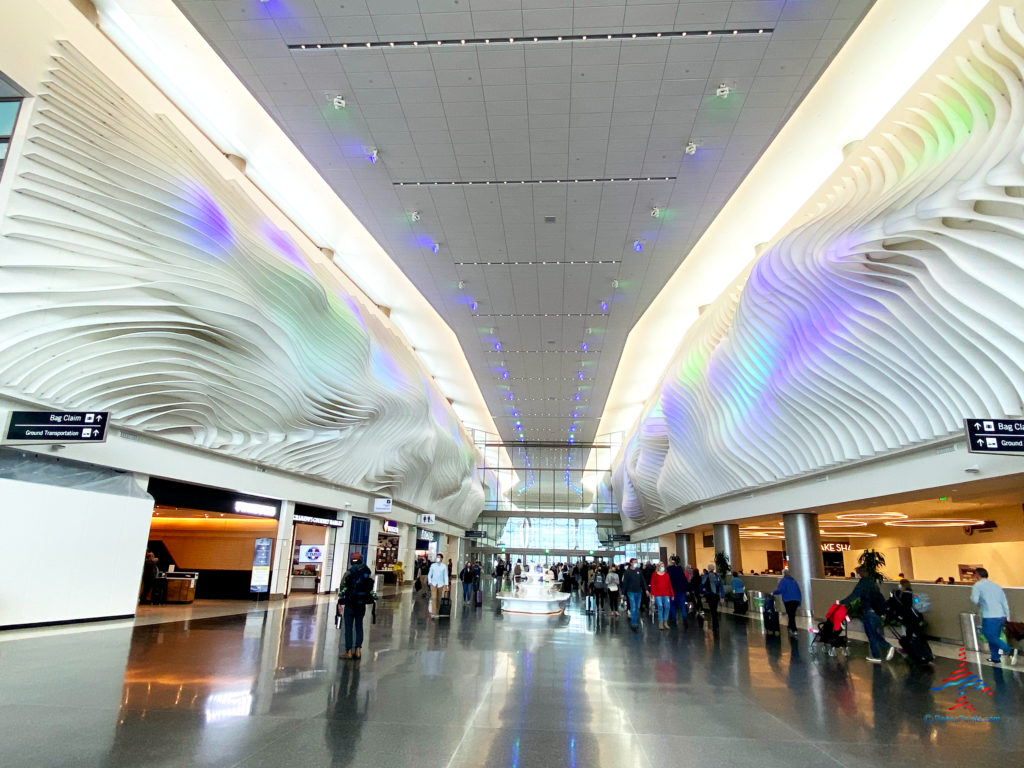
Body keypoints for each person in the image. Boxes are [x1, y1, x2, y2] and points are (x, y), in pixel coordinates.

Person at [840, 566, 895, 663]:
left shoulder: (863, 583)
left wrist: (841, 602)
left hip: (869, 612)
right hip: (876, 612)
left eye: (857, 573)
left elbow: (854, 595)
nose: (857, 575)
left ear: (860, 573)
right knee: (872, 633)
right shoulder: (872, 582)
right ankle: (876, 655)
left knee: (872, 633)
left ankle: (887, 647)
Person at [970, 567, 1015, 664]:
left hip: (989, 615)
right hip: (1001, 615)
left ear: (977, 575)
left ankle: (1008, 649)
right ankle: (995, 658)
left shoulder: (977, 586)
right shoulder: (996, 586)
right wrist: (1008, 616)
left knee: (989, 635)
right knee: (995, 637)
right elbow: (1004, 602)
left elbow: (974, 600)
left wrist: (980, 603)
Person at [338, 552, 374, 660]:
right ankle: (358, 650)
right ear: (361, 560)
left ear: (351, 560)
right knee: (359, 626)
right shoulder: (366, 571)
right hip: (361, 603)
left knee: (348, 627)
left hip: (350, 603)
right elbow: (369, 587)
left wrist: (341, 601)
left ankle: (348, 651)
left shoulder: (349, 572)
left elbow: (342, 587)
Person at [772, 568, 802, 636]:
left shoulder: (783, 581)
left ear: (783, 574)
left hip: (788, 600)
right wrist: (799, 601)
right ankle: (790, 626)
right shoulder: (794, 581)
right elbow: (798, 591)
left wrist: (774, 592)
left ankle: (794, 629)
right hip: (796, 600)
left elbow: (781, 589)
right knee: (792, 614)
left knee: (791, 615)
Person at [621, 559, 646, 632]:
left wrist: (646, 589)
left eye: (636, 562)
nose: (636, 563)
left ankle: (635, 619)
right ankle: (634, 623)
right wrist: (623, 593)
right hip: (630, 591)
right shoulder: (627, 572)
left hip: (639, 591)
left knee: (637, 607)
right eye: (634, 562)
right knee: (633, 607)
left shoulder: (639, 571)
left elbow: (642, 581)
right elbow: (625, 583)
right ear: (631, 563)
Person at [649, 561, 674, 630]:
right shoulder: (654, 574)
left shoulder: (666, 575)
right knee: (660, 607)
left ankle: (665, 621)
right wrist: (652, 595)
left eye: (663, 566)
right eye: (661, 566)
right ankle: (661, 622)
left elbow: (669, 585)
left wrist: (672, 594)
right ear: (658, 567)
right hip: (658, 594)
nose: (662, 567)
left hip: (666, 593)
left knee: (667, 607)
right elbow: (652, 585)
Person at [701, 565, 725, 633]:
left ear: (708, 569)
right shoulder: (717, 576)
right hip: (716, 595)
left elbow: (702, 585)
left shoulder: (706, 576)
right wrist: (722, 596)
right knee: (715, 609)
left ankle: (715, 624)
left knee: (712, 609)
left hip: (709, 596)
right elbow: (721, 587)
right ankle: (716, 624)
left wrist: (702, 592)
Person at [666, 556, 688, 628]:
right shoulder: (680, 569)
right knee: (682, 605)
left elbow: (668, 581)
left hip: (672, 591)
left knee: (673, 605)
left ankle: (674, 620)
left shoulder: (669, 570)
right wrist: (686, 589)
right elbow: (684, 580)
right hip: (681, 590)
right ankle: (684, 618)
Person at [428, 553, 449, 618]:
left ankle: (437, 610)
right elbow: (429, 574)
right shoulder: (433, 565)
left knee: (438, 598)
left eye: (439, 557)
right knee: (434, 598)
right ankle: (433, 613)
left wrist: (446, 585)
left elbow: (445, 576)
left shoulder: (444, 566)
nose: (437, 558)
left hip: (441, 584)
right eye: (437, 557)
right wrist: (430, 582)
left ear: (441, 559)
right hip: (433, 584)